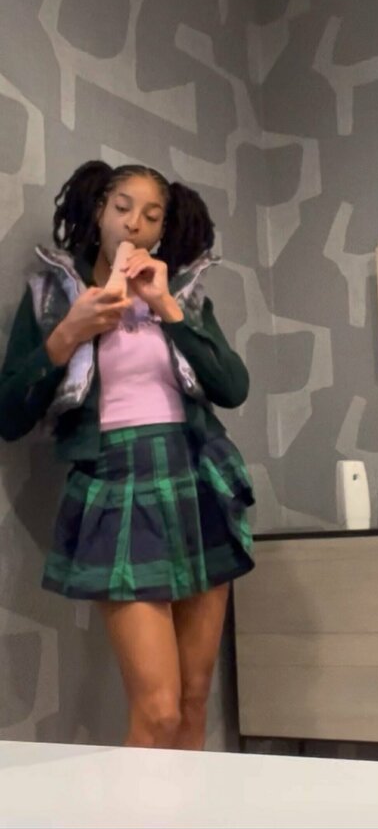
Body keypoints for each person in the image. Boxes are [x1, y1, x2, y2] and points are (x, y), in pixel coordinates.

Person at [0, 161, 255, 750]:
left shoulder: (181, 295)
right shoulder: (51, 297)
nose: (134, 224)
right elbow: (9, 415)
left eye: (151, 216)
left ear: (162, 231)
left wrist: (167, 307)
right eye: (122, 208)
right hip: (116, 487)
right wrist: (69, 332)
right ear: (98, 212)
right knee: (158, 710)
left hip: (197, 481)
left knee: (194, 700)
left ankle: (187, 802)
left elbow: (233, 388)